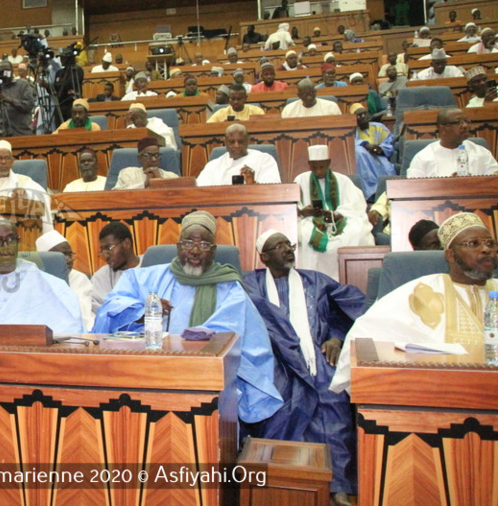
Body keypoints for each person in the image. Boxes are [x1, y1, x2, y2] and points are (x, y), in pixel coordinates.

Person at [93, 211, 283, 423]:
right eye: (187, 243)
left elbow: (236, 336)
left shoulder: (229, 287)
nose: (194, 251)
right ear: (177, 247)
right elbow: (110, 307)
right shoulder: (144, 277)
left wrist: (182, 352)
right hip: (144, 377)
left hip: (203, 384)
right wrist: (140, 313)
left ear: (214, 251)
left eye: (203, 245)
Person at [241, 229, 364, 504]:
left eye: (289, 244)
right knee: (275, 402)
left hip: (316, 358)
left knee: (332, 398)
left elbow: (350, 309)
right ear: (264, 257)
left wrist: (337, 338)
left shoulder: (316, 280)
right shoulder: (250, 284)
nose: (287, 249)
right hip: (272, 361)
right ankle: (278, 486)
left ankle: (337, 485)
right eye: (278, 246)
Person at [332, 212, 497, 393]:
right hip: (436, 391)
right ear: (449, 254)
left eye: (490, 243)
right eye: (473, 243)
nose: (485, 249)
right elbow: (363, 336)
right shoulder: (420, 290)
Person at [295, 145, 375, 279]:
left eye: (322, 167)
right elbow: (293, 207)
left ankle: (349, 277)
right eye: (314, 167)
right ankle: (313, 280)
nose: (318, 171)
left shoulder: (343, 180)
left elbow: (356, 205)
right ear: (309, 164)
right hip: (310, 221)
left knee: (356, 231)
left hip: (340, 219)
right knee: (304, 233)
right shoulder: (300, 180)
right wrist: (304, 212)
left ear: (328, 163)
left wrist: (337, 214)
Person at [407, 108, 498, 178]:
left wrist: (472, 183)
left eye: (467, 121)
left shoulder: (481, 152)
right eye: (459, 122)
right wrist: (449, 185)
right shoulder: (423, 157)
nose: (465, 126)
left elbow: (494, 181)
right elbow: (412, 190)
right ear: (443, 129)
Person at [36, 230, 96, 330]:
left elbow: (82, 313)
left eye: (70, 254)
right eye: (62, 256)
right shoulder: (36, 279)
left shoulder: (79, 278)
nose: (68, 260)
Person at [197, 123, 281, 186]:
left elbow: (273, 191)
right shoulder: (213, 165)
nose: (236, 146)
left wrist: (253, 183)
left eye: (241, 142)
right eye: (231, 142)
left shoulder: (264, 159)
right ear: (225, 142)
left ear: (248, 141)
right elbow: (200, 190)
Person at [90, 221, 143, 313]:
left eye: (109, 248)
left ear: (127, 244)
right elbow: (100, 313)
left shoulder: (150, 266)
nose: (105, 255)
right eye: (102, 250)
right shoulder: (100, 277)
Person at [350, 103, 396, 200]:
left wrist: (378, 149)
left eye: (364, 114)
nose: (363, 117)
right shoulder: (352, 131)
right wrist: (366, 145)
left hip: (379, 158)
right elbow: (351, 145)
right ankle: (371, 193)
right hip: (362, 161)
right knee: (359, 152)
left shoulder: (379, 127)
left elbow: (389, 143)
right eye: (359, 116)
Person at [113, 136, 178, 190]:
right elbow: (115, 195)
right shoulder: (127, 173)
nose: (154, 159)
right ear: (140, 158)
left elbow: (178, 196)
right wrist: (145, 184)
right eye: (149, 155)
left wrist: (160, 181)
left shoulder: (171, 176)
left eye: (156, 155)